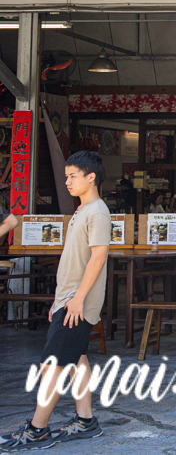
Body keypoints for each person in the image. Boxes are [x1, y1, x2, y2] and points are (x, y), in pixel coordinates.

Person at [1, 152, 111, 449]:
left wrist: (77, 300)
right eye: (66, 176)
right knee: (77, 358)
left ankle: (38, 429)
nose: (67, 182)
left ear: (91, 177)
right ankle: (86, 421)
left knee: (53, 365)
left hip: (77, 302)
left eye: (72, 176)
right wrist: (60, 299)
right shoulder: (83, 210)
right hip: (68, 299)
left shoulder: (97, 211)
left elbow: (98, 258)